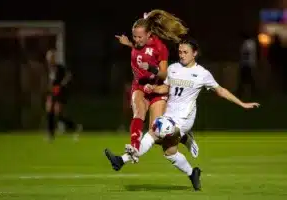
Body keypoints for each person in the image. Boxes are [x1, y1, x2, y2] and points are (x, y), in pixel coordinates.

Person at [105, 39, 260, 191]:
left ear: (195, 53)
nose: (182, 55)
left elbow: (220, 91)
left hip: (184, 119)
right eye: (180, 52)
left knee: (155, 131)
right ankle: (193, 173)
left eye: (185, 52)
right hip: (170, 115)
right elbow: (166, 88)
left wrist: (242, 103)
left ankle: (121, 160)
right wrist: (153, 88)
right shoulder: (173, 69)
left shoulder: (202, 74)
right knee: (169, 153)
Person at [115, 10, 188, 159]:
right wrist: (128, 43)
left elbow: (163, 73)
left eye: (139, 37)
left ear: (149, 34)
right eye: (134, 36)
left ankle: (183, 136)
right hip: (140, 86)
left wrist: (150, 68)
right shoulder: (137, 44)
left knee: (156, 134)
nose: (136, 39)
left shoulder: (160, 48)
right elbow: (138, 50)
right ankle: (134, 147)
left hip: (157, 89)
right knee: (138, 112)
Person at [45, 49, 81, 141]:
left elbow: (68, 76)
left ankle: (75, 127)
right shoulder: (49, 68)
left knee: (58, 114)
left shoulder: (60, 68)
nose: (49, 59)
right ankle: (50, 134)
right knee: (49, 111)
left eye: (51, 57)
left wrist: (61, 86)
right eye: (48, 57)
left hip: (60, 93)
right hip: (53, 92)